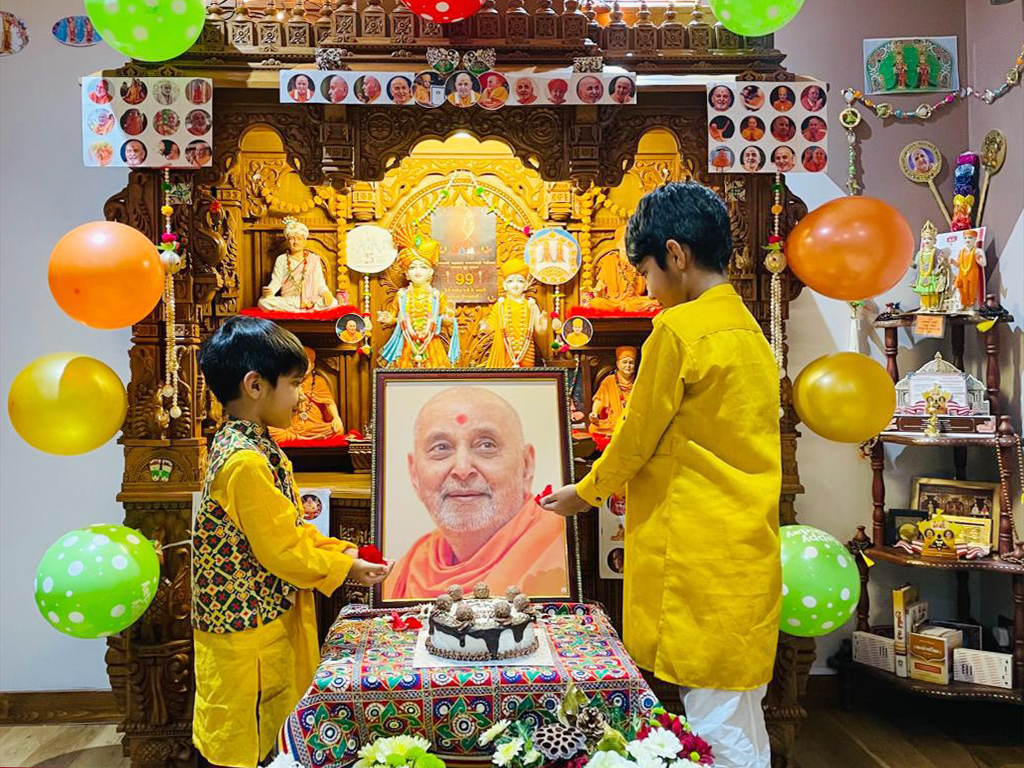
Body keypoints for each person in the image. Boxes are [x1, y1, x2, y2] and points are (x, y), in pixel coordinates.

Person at [541, 182, 782, 768]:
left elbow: (633, 440)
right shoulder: (749, 328)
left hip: (697, 554)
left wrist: (583, 493)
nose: (647, 290)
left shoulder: (678, 331)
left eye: (645, 271)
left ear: (676, 255)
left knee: (714, 729)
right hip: (746, 547)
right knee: (740, 708)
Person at [193, 316, 390, 768]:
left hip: (262, 625)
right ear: (256, 385)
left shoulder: (252, 444)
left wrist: (345, 553)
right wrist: (347, 568)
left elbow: (288, 531)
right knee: (254, 742)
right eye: (296, 383)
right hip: (249, 639)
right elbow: (282, 551)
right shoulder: (245, 462)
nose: (303, 396)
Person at [383, 386, 568, 599]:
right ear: (414, 473)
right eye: (441, 448)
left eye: (486, 445)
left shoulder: (560, 546)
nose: (462, 470)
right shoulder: (409, 570)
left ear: (526, 465)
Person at [377, 230, 459, 368]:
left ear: (431, 272)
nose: (418, 271)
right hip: (406, 345)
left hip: (432, 344)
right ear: (407, 273)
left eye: (423, 267)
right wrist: (388, 318)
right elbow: (394, 316)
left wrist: (449, 317)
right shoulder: (402, 295)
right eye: (412, 267)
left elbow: (446, 322)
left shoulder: (437, 296)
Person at [259, 217, 338, 312]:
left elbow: (320, 283)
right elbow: (276, 281)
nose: (295, 242)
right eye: (292, 239)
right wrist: (269, 291)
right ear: (288, 241)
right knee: (263, 302)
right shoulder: (282, 259)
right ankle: (304, 311)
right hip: (288, 300)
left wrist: (326, 292)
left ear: (304, 242)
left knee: (333, 302)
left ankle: (295, 310)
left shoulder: (313, 259)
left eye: (299, 239)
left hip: (309, 300)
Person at [480, 259, 548, 368]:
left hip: (526, 351)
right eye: (510, 281)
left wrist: (543, 325)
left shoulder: (531, 305)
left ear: (526, 285)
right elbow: (490, 328)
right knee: (505, 379)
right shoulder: (500, 306)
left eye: (520, 281)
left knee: (525, 379)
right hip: (505, 350)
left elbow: (540, 331)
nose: (515, 285)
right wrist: (484, 326)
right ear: (505, 285)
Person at [269, 347, 346, 442]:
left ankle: (302, 438)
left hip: (314, 426)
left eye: (307, 363)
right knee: (271, 430)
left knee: (337, 430)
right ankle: (303, 438)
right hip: (291, 424)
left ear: (313, 365)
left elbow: (328, 402)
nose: (303, 367)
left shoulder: (318, 381)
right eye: (300, 364)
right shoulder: (287, 381)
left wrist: (336, 418)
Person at [590, 225, 661, 313]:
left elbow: (651, 289)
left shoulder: (641, 263)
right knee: (596, 303)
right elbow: (599, 288)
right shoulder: (609, 261)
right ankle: (624, 308)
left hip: (636, 302)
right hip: (614, 302)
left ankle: (624, 308)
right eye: (625, 241)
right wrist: (595, 293)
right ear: (618, 244)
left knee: (657, 302)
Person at [589, 346, 637, 437]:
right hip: (614, 421)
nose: (628, 366)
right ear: (618, 364)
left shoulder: (639, 381)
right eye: (624, 362)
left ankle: (618, 433)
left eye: (631, 363)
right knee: (593, 428)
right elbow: (599, 399)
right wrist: (594, 413)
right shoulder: (609, 380)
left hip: (633, 420)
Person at [954, 229, 986, 311]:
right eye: (965, 238)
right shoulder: (961, 251)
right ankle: (963, 305)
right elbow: (958, 264)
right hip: (962, 274)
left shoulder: (977, 251)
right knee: (961, 290)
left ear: (975, 239)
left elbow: (984, 264)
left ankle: (970, 306)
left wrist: (979, 259)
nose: (967, 240)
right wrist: (951, 261)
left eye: (970, 238)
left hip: (972, 274)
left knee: (971, 291)